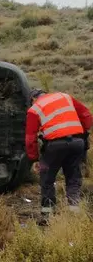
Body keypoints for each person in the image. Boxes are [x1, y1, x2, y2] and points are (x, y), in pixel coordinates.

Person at [25, 88, 91, 223]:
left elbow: (30, 138)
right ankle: (74, 211)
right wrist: (82, 132)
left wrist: (34, 158)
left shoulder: (34, 109)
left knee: (47, 179)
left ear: (32, 99)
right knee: (73, 176)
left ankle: (47, 216)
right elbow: (86, 116)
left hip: (54, 146)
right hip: (77, 143)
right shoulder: (65, 96)